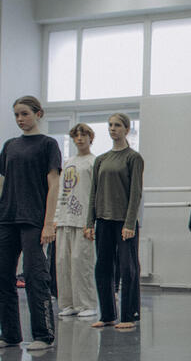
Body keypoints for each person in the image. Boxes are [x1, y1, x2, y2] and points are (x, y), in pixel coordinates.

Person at [0, 96, 61, 351]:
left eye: (24, 114)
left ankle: (43, 335)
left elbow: (54, 184)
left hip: (34, 220)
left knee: (36, 277)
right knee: (3, 277)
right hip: (7, 218)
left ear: (38, 113)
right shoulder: (10, 145)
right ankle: (11, 334)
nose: (20, 119)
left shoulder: (48, 144)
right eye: (16, 115)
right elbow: (2, 182)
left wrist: (48, 223)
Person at [85, 113, 144, 330]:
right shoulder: (101, 159)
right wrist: (90, 222)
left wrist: (129, 224)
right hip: (103, 221)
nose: (112, 129)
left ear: (126, 129)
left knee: (127, 269)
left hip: (124, 223)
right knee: (102, 268)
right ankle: (108, 314)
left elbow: (135, 193)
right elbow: (94, 192)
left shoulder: (133, 158)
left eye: (117, 125)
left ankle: (128, 316)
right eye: (110, 125)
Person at [56, 123, 98, 318]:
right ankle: (68, 303)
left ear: (90, 137)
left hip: (83, 220)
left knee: (81, 263)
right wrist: (56, 217)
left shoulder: (93, 162)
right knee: (63, 262)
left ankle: (86, 304)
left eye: (83, 135)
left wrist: (92, 222)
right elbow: (61, 191)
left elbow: (96, 193)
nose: (80, 139)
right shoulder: (68, 162)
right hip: (65, 218)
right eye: (76, 136)